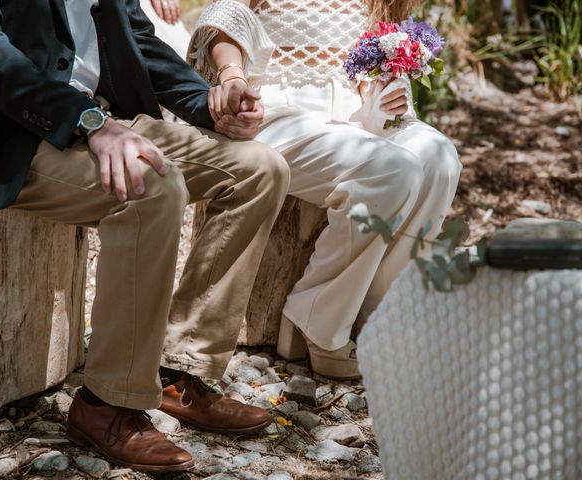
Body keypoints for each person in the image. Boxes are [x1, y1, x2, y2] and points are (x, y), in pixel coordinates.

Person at [0, 0, 290, 473]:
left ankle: (178, 370)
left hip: (102, 120)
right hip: (11, 131)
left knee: (260, 169)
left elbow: (137, 40)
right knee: (152, 186)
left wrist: (209, 105)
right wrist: (87, 121)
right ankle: (106, 403)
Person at [171, 0, 462, 380]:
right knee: (392, 170)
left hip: (354, 113)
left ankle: (375, 319)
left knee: (439, 158)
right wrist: (231, 75)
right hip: (279, 110)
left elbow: (372, 55)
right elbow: (224, 15)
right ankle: (317, 319)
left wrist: (388, 87)